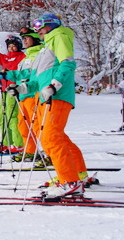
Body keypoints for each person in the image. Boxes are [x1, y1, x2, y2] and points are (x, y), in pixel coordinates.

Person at [19, 13, 90, 199]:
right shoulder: (45, 47)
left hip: (56, 96)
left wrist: (54, 85)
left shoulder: (59, 36)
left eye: (40, 26)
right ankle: (76, 174)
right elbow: (36, 79)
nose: (37, 30)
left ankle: (70, 181)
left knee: (51, 137)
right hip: (45, 97)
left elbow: (67, 64)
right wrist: (23, 87)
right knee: (55, 137)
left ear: (51, 25)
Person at [3, 27, 43, 163]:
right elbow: (23, 74)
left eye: (27, 38)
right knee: (23, 125)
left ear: (35, 39)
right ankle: (30, 151)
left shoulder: (40, 55)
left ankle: (49, 154)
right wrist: (8, 75)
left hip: (34, 94)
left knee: (37, 126)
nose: (24, 41)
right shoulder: (27, 57)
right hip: (23, 96)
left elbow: (35, 76)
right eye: (23, 39)